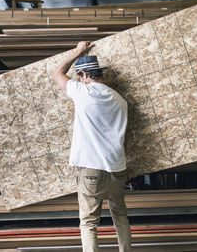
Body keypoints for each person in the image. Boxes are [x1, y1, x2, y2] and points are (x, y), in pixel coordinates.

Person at [51, 41, 131, 252]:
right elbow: (125, 138)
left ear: (85, 74)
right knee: (120, 215)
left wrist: (77, 52)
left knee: (89, 222)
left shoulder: (82, 92)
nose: (78, 79)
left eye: (79, 76)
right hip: (117, 167)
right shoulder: (120, 100)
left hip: (90, 169)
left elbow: (57, 73)